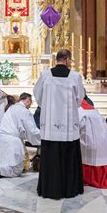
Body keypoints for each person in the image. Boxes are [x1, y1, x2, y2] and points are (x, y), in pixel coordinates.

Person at [34, 49, 85, 199]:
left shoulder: (45, 75)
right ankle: (69, 189)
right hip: (68, 127)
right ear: (67, 59)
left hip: (50, 126)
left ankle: (50, 188)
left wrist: (49, 109)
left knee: (51, 156)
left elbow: (38, 94)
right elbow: (80, 98)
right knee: (68, 156)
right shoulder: (75, 77)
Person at [0, 93, 41, 179]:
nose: (31, 106)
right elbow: (32, 130)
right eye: (31, 102)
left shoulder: (12, 108)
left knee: (4, 162)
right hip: (11, 139)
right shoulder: (24, 111)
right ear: (27, 100)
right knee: (16, 168)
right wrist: (43, 135)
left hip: (1, 136)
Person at [79, 96, 107, 189]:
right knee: (98, 166)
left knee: (91, 171)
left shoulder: (78, 110)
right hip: (101, 142)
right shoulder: (93, 109)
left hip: (88, 142)